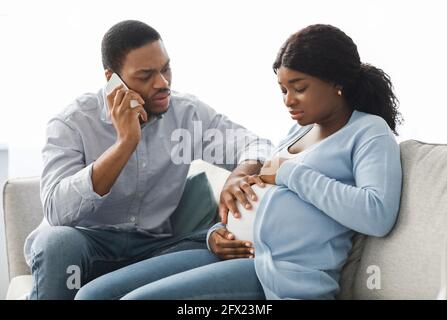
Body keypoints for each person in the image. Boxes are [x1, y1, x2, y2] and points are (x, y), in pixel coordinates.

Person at [75, 24, 403, 300]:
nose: (289, 101)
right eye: (283, 90)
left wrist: (290, 173)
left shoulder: (368, 132)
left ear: (337, 83)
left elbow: (376, 214)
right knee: (91, 295)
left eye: (299, 89)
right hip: (231, 254)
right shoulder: (297, 131)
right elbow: (266, 197)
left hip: (278, 274)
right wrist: (219, 230)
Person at [24, 20, 273, 300]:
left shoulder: (187, 114)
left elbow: (258, 145)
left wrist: (242, 171)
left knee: (207, 242)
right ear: (112, 79)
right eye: (145, 76)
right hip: (88, 244)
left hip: (156, 247)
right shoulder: (72, 123)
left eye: (165, 69)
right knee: (56, 242)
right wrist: (124, 144)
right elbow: (57, 212)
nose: (162, 83)